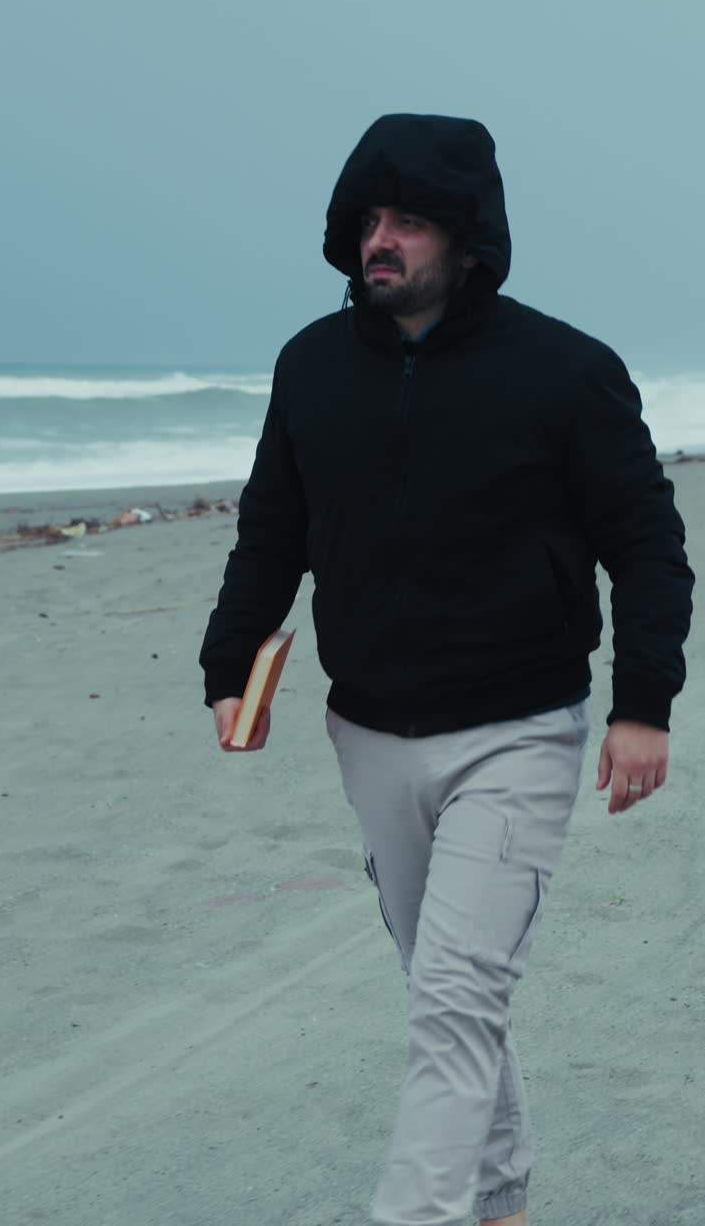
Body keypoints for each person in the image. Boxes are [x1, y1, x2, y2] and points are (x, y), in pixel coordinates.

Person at [199, 114, 694, 1226]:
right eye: (369, 219)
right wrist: (229, 663)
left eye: (408, 220)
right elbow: (271, 527)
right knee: (445, 994)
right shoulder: (311, 366)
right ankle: (501, 1201)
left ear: (467, 238)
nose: (381, 240)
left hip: (517, 731)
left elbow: (647, 544)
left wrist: (643, 702)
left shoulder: (565, 370)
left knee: (459, 998)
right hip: (367, 731)